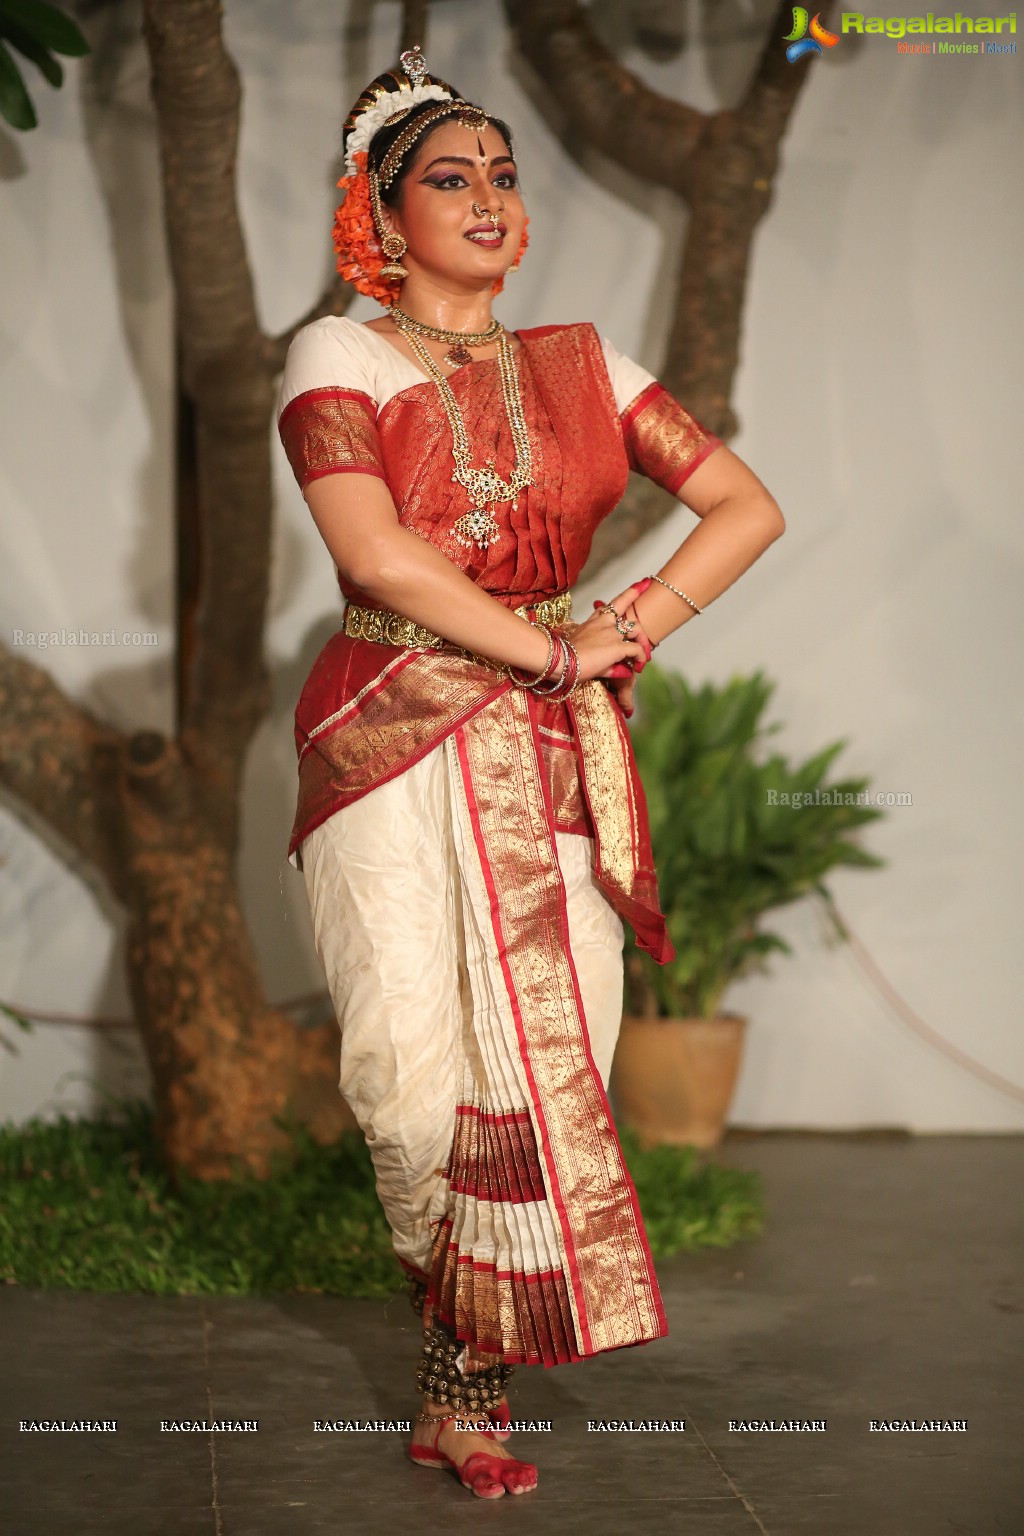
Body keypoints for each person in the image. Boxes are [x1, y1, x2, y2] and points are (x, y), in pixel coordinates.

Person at [277, 47, 785, 1500]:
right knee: (401, 1089)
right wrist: (556, 651)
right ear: (382, 212)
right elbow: (373, 556)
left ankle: (461, 1388)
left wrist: (628, 623)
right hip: (383, 731)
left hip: (545, 753)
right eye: (453, 176)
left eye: (505, 174)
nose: (492, 196)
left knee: (538, 1072)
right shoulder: (338, 354)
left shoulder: (583, 366)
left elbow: (744, 506)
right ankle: (453, 1357)